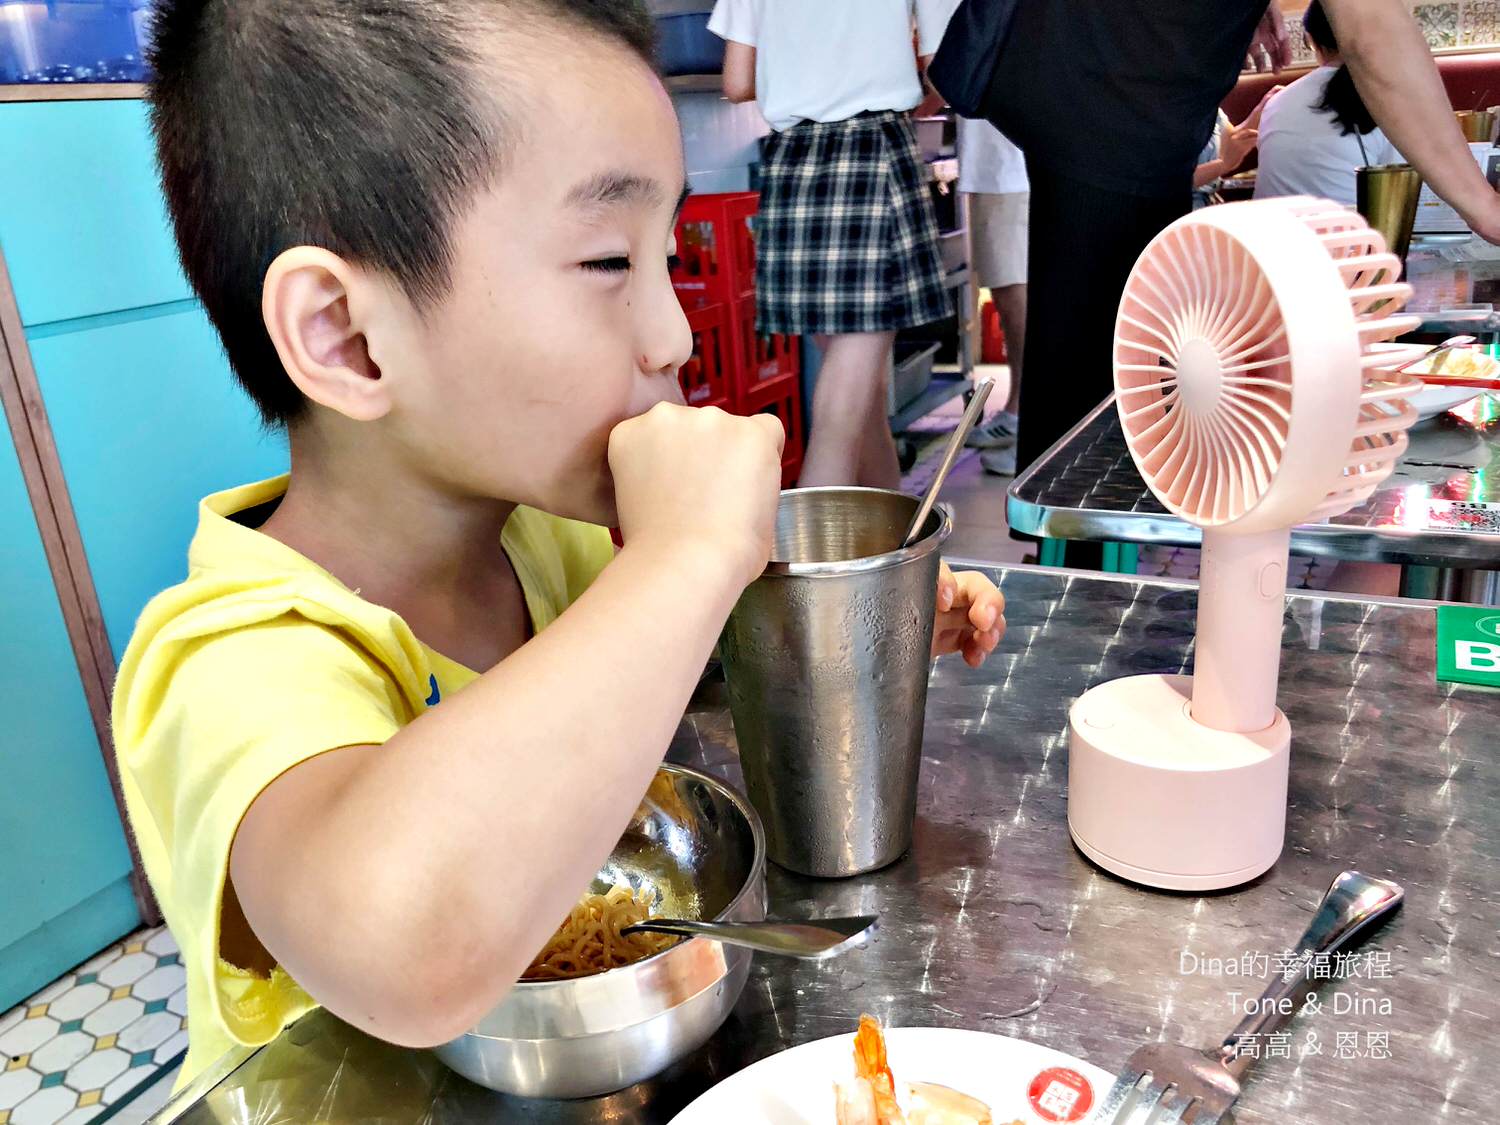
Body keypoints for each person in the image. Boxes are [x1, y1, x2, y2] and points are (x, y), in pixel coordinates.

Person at [114, 0, 1008, 1085]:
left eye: (664, 255)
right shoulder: (231, 660)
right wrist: (680, 560)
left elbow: (706, 666)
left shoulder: (546, 544)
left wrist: (855, 616)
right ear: (347, 338)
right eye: (603, 263)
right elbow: (404, 941)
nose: (675, 337)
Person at [936, 0, 1500, 486]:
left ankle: (1088, 565)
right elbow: (1371, 32)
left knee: (1108, 389)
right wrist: (1485, 207)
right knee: (1099, 417)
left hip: (1106, 84)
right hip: (1112, 89)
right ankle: (1079, 582)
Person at [712, 0, 955, 489]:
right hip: (875, 153)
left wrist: (806, 75)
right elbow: (948, 70)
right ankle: (810, 557)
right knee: (842, 418)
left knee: (862, 402)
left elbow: (737, 81)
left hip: (793, 160)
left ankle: (890, 545)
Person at [1254, 1, 1402, 207]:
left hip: (1269, 235)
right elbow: (1403, 192)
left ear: (1310, 39)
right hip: (1351, 234)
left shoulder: (1277, 101)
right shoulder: (1386, 97)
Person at [955, 116, 1027, 477]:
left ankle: (1031, 433)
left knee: (1017, 294)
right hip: (1008, 162)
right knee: (1011, 294)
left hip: (1010, 166)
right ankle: (1019, 414)